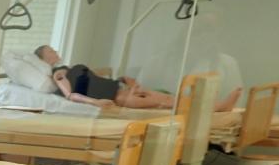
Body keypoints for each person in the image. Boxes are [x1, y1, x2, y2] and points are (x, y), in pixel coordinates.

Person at [35, 44, 240, 112]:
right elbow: (71, 95)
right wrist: (96, 102)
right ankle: (217, 108)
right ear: (44, 60)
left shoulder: (71, 67)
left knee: (168, 97)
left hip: (120, 89)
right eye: (49, 51)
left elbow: (96, 78)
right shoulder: (59, 74)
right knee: (167, 103)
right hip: (119, 99)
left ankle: (215, 105)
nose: (54, 51)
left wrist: (124, 79)